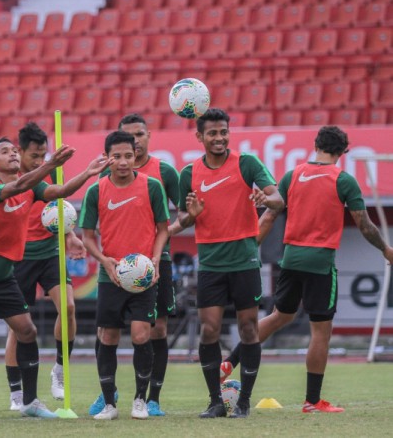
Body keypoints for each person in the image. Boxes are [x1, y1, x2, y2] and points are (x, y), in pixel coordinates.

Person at [220, 126, 393, 413]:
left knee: (279, 316)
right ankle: (312, 401)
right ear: (342, 152)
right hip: (320, 263)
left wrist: (252, 250)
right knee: (320, 331)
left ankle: (228, 363)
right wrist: (386, 249)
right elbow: (365, 225)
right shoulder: (343, 180)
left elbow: (269, 216)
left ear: (316, 145)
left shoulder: (293, 175)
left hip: (290, 259)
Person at [0, 137, 110, 421]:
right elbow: (18, 185)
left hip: (4, 277)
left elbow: (62, 190)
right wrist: (51, 164)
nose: (13, 154)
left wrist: (88, 173)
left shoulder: (32, 186)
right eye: (5, 152)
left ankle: (29, 402)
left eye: (14, 150)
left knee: (27, 332)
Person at [177, 108, 284, 419]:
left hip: (245, 259)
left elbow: (278, 198)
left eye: (223, 132)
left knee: (248, 329)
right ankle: (215, 401)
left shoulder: (247, 163)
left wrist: (267, 200)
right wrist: (191, 215)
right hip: (210, 262)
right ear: (200, 137)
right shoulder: (189, 173)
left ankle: (244, 402)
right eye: (212, 133)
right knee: (209, 330)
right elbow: (183, 218)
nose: (219, 138)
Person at [88, 113, 181, 417]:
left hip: (144, 275)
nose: (124, 161)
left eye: (129, 155)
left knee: (143, 334)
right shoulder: (96, 190)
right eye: (117, 156)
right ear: (108, 158)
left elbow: (164, 227)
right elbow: (87, 234)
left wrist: (154, 259)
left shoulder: (154, 184)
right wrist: (104, 261)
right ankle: (109, 403)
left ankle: (142, 400)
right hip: (111, 275)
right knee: (107, 336)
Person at [4, 122, 86, 410]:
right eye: (34, 156)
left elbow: (58, 210)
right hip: (19, 258)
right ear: (20, 152)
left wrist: (71, 235)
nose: (40, 162)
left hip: (49, 252)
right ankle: (16, 393)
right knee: (18, 327)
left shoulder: (52, 173)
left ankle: (60, 371)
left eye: (43, 156)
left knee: (69, 307)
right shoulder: (9, 177)